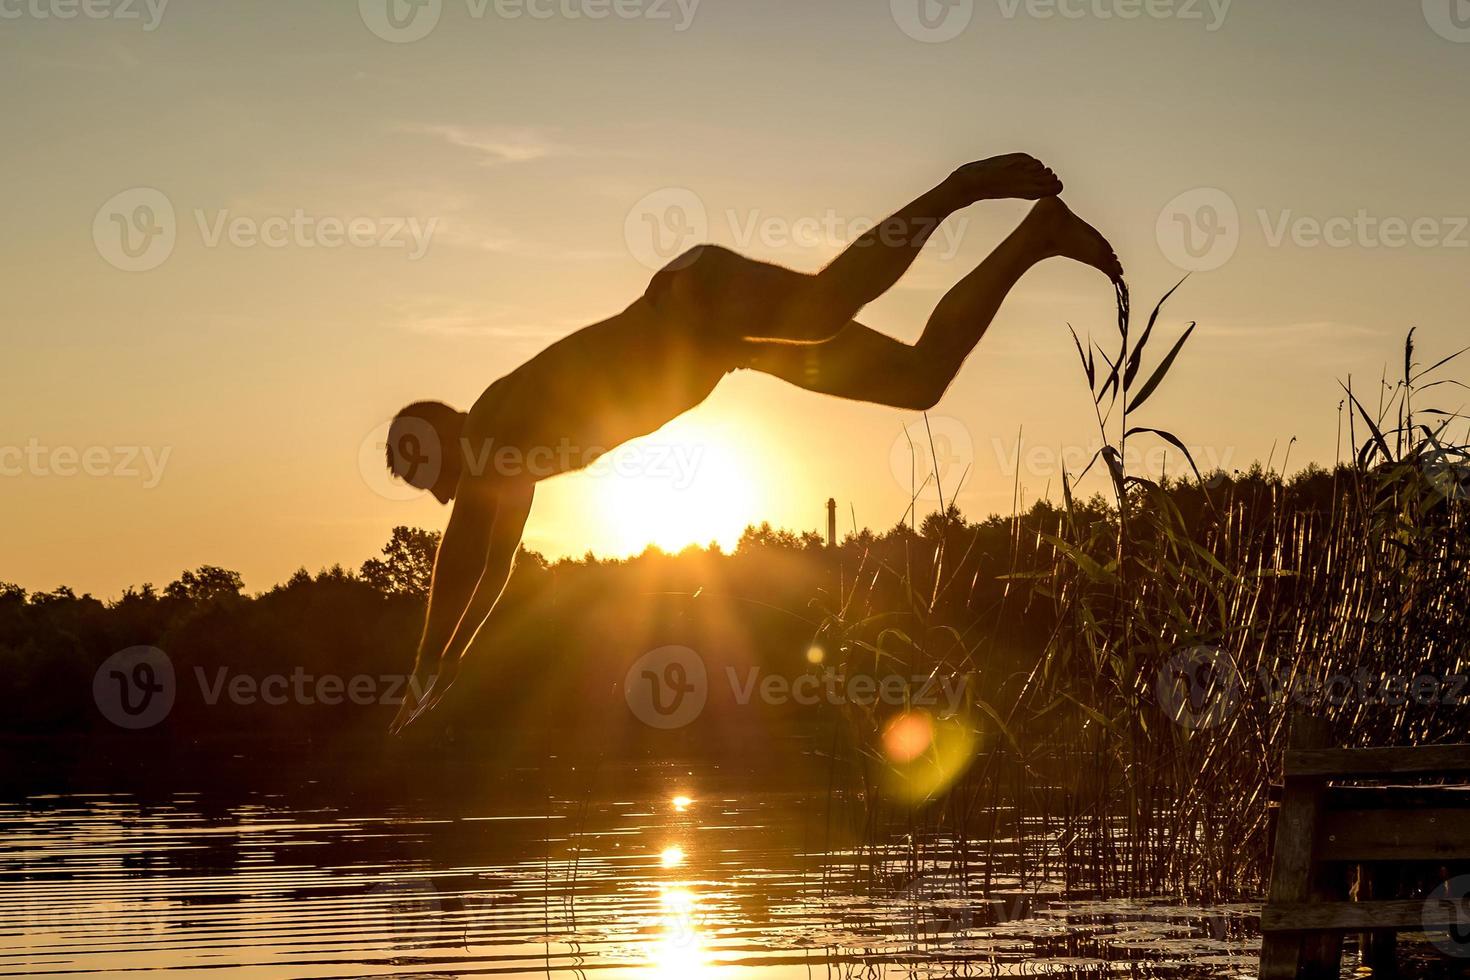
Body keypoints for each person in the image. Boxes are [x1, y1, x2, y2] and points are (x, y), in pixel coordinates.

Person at [384, 154, 1123, 732]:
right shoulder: (510, 459)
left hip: (692, 307)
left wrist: (424, 669)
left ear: (447, 429)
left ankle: (961, 186)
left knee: (825, 307)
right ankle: (1038, 237)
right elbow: (494, 563)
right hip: (719, 344)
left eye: (423, 464)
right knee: (919, 379)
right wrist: (446, 666)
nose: (435, 488)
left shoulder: (491, 427)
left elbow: (461, 559)